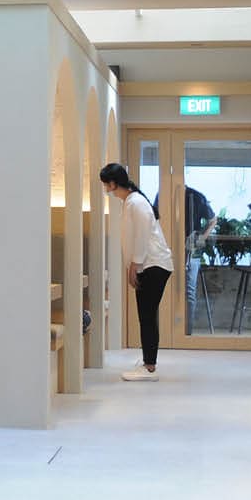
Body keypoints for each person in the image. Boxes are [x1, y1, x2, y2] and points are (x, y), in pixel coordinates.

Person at [101, 162, 173, 381]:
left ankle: (149, 366)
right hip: (150, 265)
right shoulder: (132, 202)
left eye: (106, 184)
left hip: (153, 265)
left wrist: (135, 265)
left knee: (147, 316)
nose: (106, 189)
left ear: (112, 183)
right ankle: (148, 363)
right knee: (147, 316)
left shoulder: (136, 202)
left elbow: (142, 235)